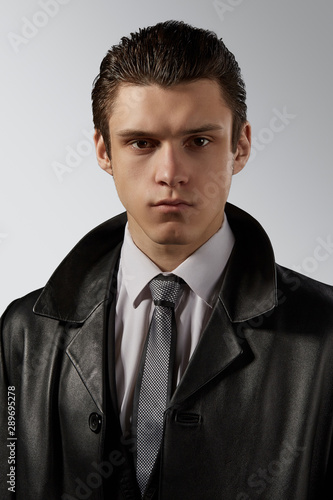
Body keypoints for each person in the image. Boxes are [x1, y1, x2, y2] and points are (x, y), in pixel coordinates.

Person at [1, 20, 333, 500]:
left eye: (198, 141)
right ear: (103, 150)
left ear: (239, 146)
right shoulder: (25, 334)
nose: (170, 174)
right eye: (142, 143)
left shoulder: (324, 337)